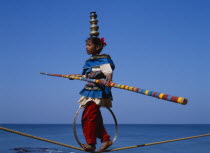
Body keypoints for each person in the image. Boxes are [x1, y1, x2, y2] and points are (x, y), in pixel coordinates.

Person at [70, 37, 115, 152]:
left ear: (98, 47)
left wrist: (108, 80)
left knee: (89, 116)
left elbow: (108, 72)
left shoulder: (103, 59)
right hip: (90, 91)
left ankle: (91, 143)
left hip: (98, 92)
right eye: (86, 45)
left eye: (89, 45)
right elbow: (85, 76)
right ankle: (106, 139)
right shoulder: (89, 62)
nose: (86, 47)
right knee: (94, 118)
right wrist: (74, 76)